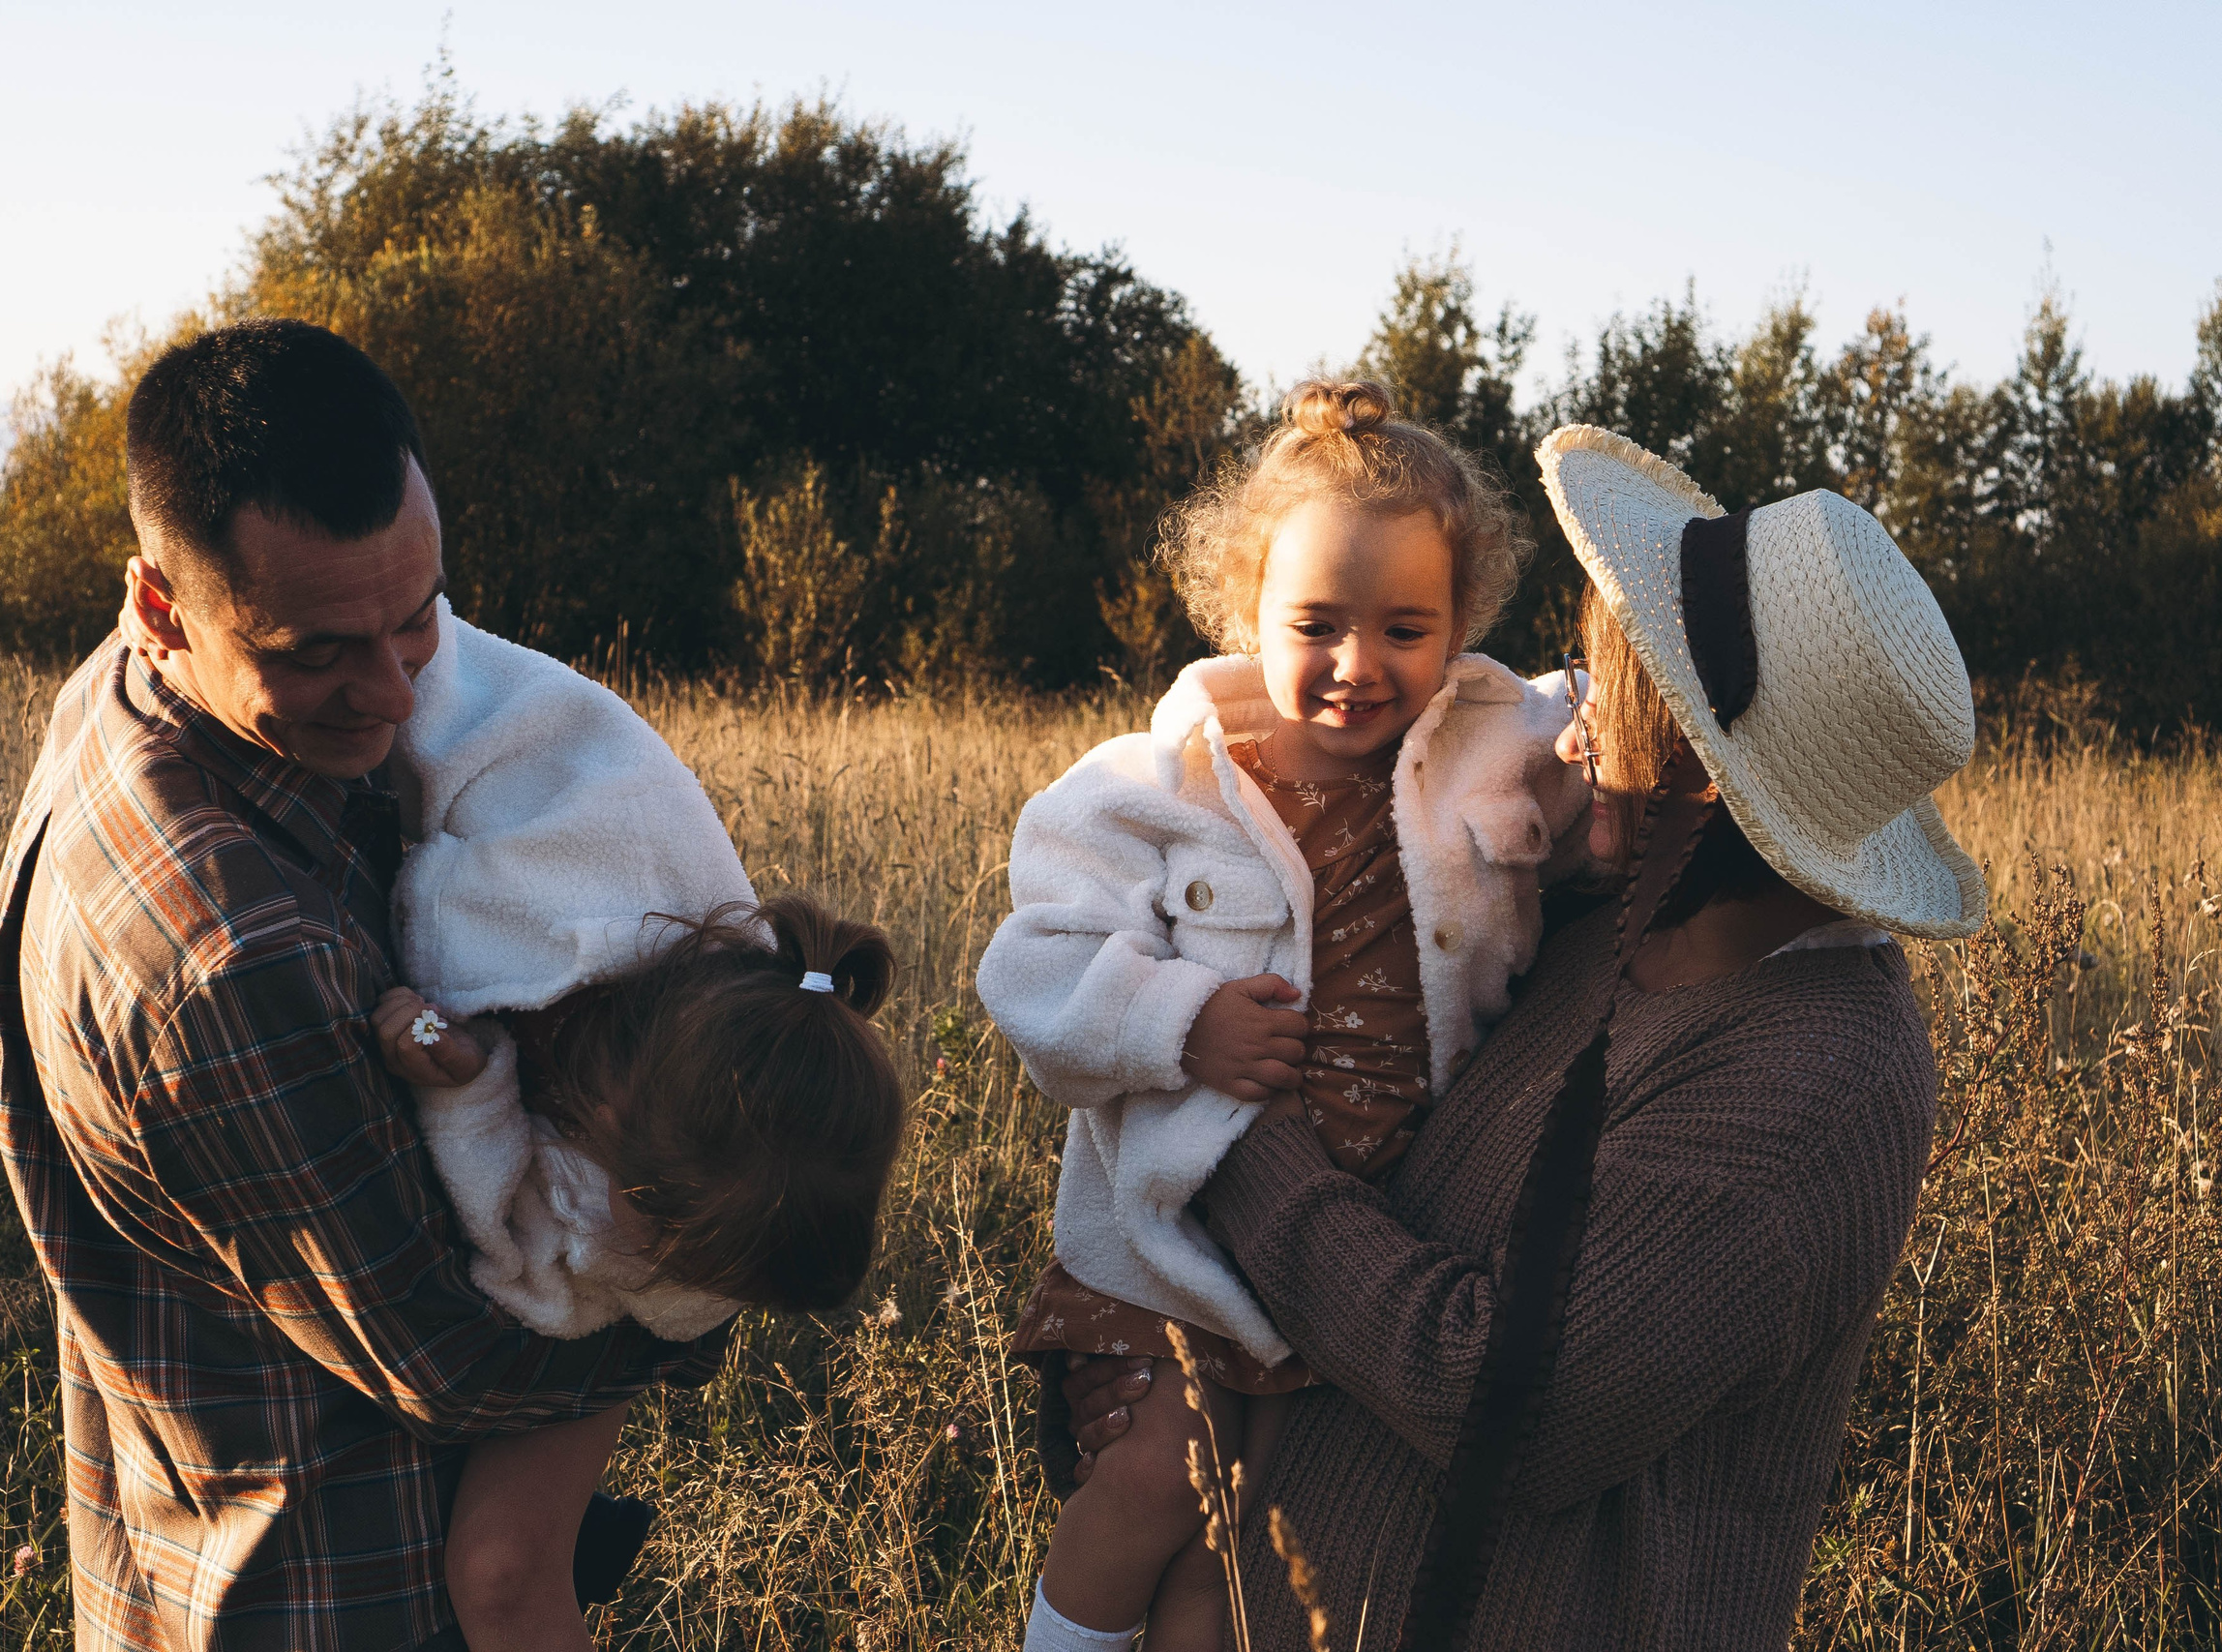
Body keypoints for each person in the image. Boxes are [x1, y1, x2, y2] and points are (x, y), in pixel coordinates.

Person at [1053, 424, 1988, 1649]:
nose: (1573, 738)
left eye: (1627, 705)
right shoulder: (1606, 909)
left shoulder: (1815, 1079)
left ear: (1719, 779)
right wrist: (1141, 1332)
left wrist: (1229, 1145)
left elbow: (1510, 1402)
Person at [0, 319, 730, 1652]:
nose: (392, 690)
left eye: (418, 615)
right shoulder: (228, 959)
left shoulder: (129, 691)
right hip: (329, 1590)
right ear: (163, 602)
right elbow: (453, 1360)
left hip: (184, 1546)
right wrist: (716, 1268)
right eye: (317, 649)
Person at [976, 382, 1590, 1651]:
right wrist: (1178, 1020)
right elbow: (1031, 967)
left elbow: (1631, 722)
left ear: (1463, 624)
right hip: (1176, 1240)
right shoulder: (1160, 781)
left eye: (1406, 627)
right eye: (1315, 622)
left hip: (1348, 1251)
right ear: (1244, 605)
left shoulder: (1497, 743)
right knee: (1154, 1478)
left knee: (1243, 1543)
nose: (1360, 664)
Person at [356, 604, 907, 1652]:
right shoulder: (540, 918)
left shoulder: (749, 1062)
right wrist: (467, 1073)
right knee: (504, 1567)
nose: (651, 1282)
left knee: (505, 1564)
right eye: (660, 1254)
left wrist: (473, 1092)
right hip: (456, 688)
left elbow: (576, 1273)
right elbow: (527, 1257)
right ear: (603, 1115)